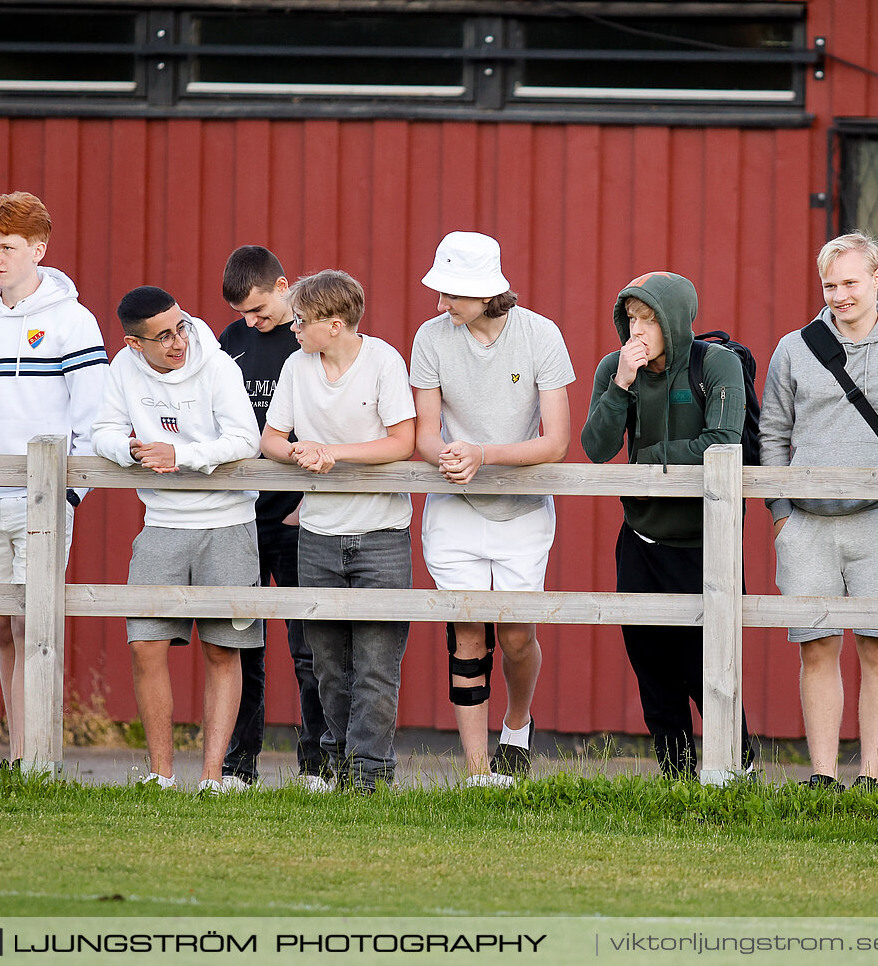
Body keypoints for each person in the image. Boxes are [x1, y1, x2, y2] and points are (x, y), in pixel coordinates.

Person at [760, 232, 878, 790]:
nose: (840, 295)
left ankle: (868, 778)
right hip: (807, 524)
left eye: (850, 283)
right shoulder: (795, 348)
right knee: (816, 649)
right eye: (830, 285)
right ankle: (821, 775)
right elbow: (773, 433)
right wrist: (781, 513)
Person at [0, 192, 105, 769]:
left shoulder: (72, 320)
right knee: (3, 627)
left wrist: (70, 494)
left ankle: (38, 758)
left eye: (7, 246)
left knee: (37, 627)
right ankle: (17, 753)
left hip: (41, 502)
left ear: (39, 248)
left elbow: (91, 416)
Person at [411, 232, 574, 785]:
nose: (439, 306)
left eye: (450, 295)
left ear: (486, 294)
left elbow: (556, 443)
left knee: (515, 636)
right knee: (468, 632)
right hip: (453, 508)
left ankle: (518, 723)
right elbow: (425, 435)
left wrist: (484, 455)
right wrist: (450, 457)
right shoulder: (430, 338)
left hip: (523, 513)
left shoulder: (541, 336)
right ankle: (480, 772)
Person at [581, 270, 755, 778]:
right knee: (653, 671)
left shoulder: (716, 364)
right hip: (641, 539)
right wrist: (621, 387)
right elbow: (596, 449)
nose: (637, 330)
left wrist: (651, 460)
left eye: (649, 319)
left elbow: (723, 443)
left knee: (710, 670)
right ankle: (676, 779)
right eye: (631, 318)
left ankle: (735, 773)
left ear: (675, 321)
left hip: (707, 543)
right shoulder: (616, 368)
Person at [92, 287, 261, 794]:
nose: (178, 341)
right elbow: (100, 431)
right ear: (132, 344)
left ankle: (212, 777)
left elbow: (245, 439)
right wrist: (130, 450)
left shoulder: (217, 365)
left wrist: (181, 456)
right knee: (146, 644)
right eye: (163, 336)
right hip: (161, 522)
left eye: (181, 326)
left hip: (227, 521)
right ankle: (160, 774)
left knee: (222, 649)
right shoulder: (122, 371)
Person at [262, 270, 417, 792]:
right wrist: (298, 452)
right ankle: (333, 764)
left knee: (376, 664)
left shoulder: (384, 362)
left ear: (335, 323)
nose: (294, 330)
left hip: (381, 533)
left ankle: (369, 776)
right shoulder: (296, 366)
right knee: (326, 663)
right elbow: (272, 439)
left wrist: (333, 454)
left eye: (302, 322)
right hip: (319, 535)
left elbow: (401, 442)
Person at [216, 246, 327, 791]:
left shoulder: (309, 341)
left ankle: (316, 764)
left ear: (284, 286)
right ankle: (240, 765)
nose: (252, 322)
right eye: (243, 315)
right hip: (241, 515)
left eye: (260, 310)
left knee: (309, 648)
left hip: (297, 518)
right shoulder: (230, 344)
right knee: (243, 645)